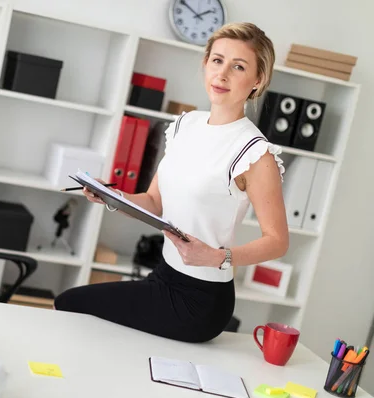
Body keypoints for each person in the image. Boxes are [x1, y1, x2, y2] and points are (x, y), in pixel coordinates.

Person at [53, 22, 289, 343]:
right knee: (79, 311)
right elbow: (153, 203)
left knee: (70, 304)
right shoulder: (184, 125)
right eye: (217, 61)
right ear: (205, 64)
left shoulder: (254, 153)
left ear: (257, 80)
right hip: (163, 276)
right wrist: (111, 195)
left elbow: (277, 240)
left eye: (238, 67)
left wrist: (218, 257)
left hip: (202, 299)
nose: (222, 75)